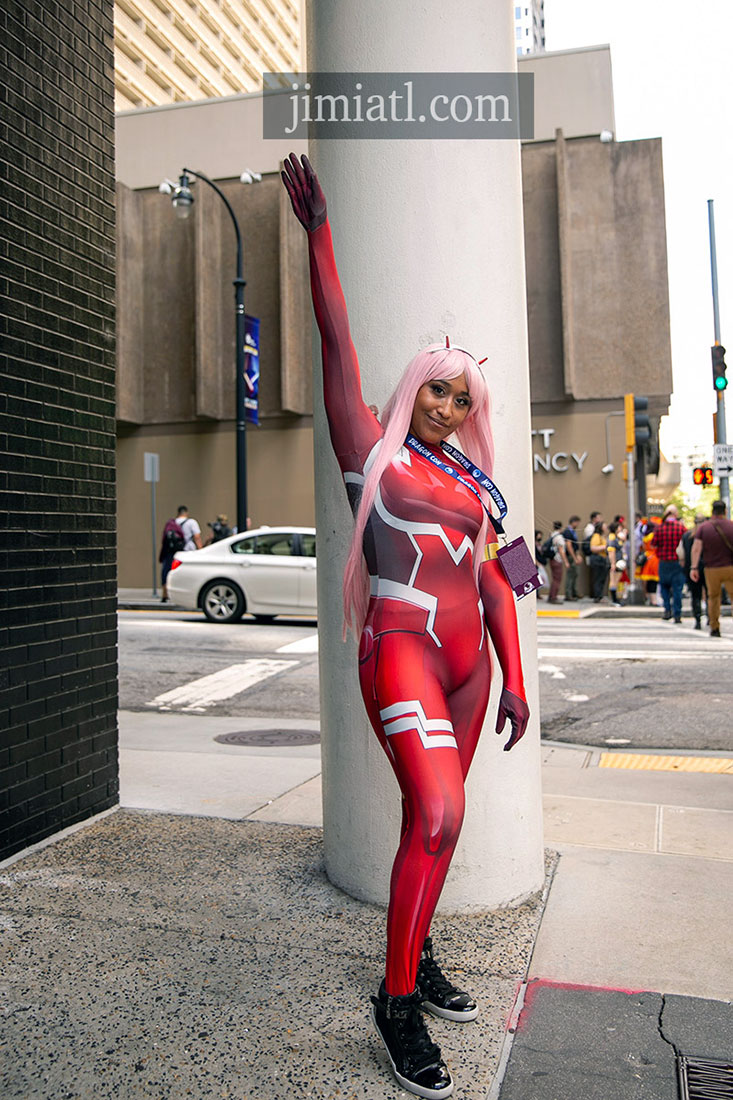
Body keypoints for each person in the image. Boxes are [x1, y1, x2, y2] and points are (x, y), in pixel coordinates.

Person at [282, 153, 529, 1100]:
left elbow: (502, 581)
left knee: (434, 827)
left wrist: (511, 674)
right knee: (438, 811)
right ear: (412, 386)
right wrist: (320, 237)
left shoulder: (475, 483)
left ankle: (416, 953)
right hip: (403, 655)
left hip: (470, 670)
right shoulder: (370, 460)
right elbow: (335, 339)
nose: (450, 406)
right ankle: (393, 1003)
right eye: (438, 388)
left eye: (464, 399)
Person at [691, 500, 733, 637]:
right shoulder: (731, 526)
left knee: (713, 598)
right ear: (725, 511)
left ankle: (715, 627)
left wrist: (694, 567)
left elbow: (696, 548)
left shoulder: (704, 528)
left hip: (711, 569)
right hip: (730, 567)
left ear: (712, 511)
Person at [651, 504, 686, 622]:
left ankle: (667, 609)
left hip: (664, 561)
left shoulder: (660, 528)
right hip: (677, 562)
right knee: (677, 589)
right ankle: (677, 614)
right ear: (675, 514)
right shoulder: (681, 528)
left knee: (664, 587)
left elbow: (653, 543)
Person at [682, 513, 707, 630]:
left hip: (691, 568)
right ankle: (710, 617)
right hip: (707, 567)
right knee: (710, 594)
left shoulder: (687, 536)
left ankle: (697, 619)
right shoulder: (708, 535)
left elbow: (680, 554)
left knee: (695, 595)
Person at [547, 520, 568, 603]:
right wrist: (566, 561)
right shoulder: (559, 537)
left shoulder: (552, 535)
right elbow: (561, 550)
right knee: (557, 579)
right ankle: (553, 597)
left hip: (552, 559)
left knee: (554, 578)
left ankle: (551, 595)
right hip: (557, 560)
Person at [561, 515, 582, 600]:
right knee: (570, 575)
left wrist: (577, 555)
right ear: (573, 522)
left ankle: (574, 592)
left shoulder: (572, 531)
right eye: (577, 522)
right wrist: (574, 557)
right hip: (570, 556)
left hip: (573, 555)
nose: (578, 524)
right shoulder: (568, 532)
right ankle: (569, 594)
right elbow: (569, 546)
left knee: (575, 574)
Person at [589, 520, 610, 602]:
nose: (606, 527)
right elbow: (593, 548)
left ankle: (600, 595)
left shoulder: (602, 536)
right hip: (598, 559)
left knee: (602, 579)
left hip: (602, 559)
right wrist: (605, 547)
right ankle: (597, 596)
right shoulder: (596, 536)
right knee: (598, 578)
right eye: (604, 526)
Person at [606, 521, 625, 605]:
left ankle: (616, 598)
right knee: (614, 580)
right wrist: (613, 563)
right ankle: (614, 599)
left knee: (616, 580)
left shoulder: (617, 537)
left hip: (618, 561)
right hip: (615, 562)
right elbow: (611, 551)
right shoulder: (612, 538)